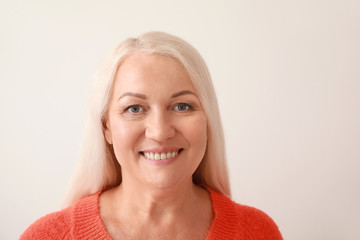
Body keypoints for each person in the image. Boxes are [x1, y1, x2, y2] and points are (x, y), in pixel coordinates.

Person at [20, 32, 283, 240]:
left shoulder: (258, 232)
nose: (159, 132)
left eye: (182, 106)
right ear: (106, 128)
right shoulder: (44, 236)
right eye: (134, 108)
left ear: (208, 120)